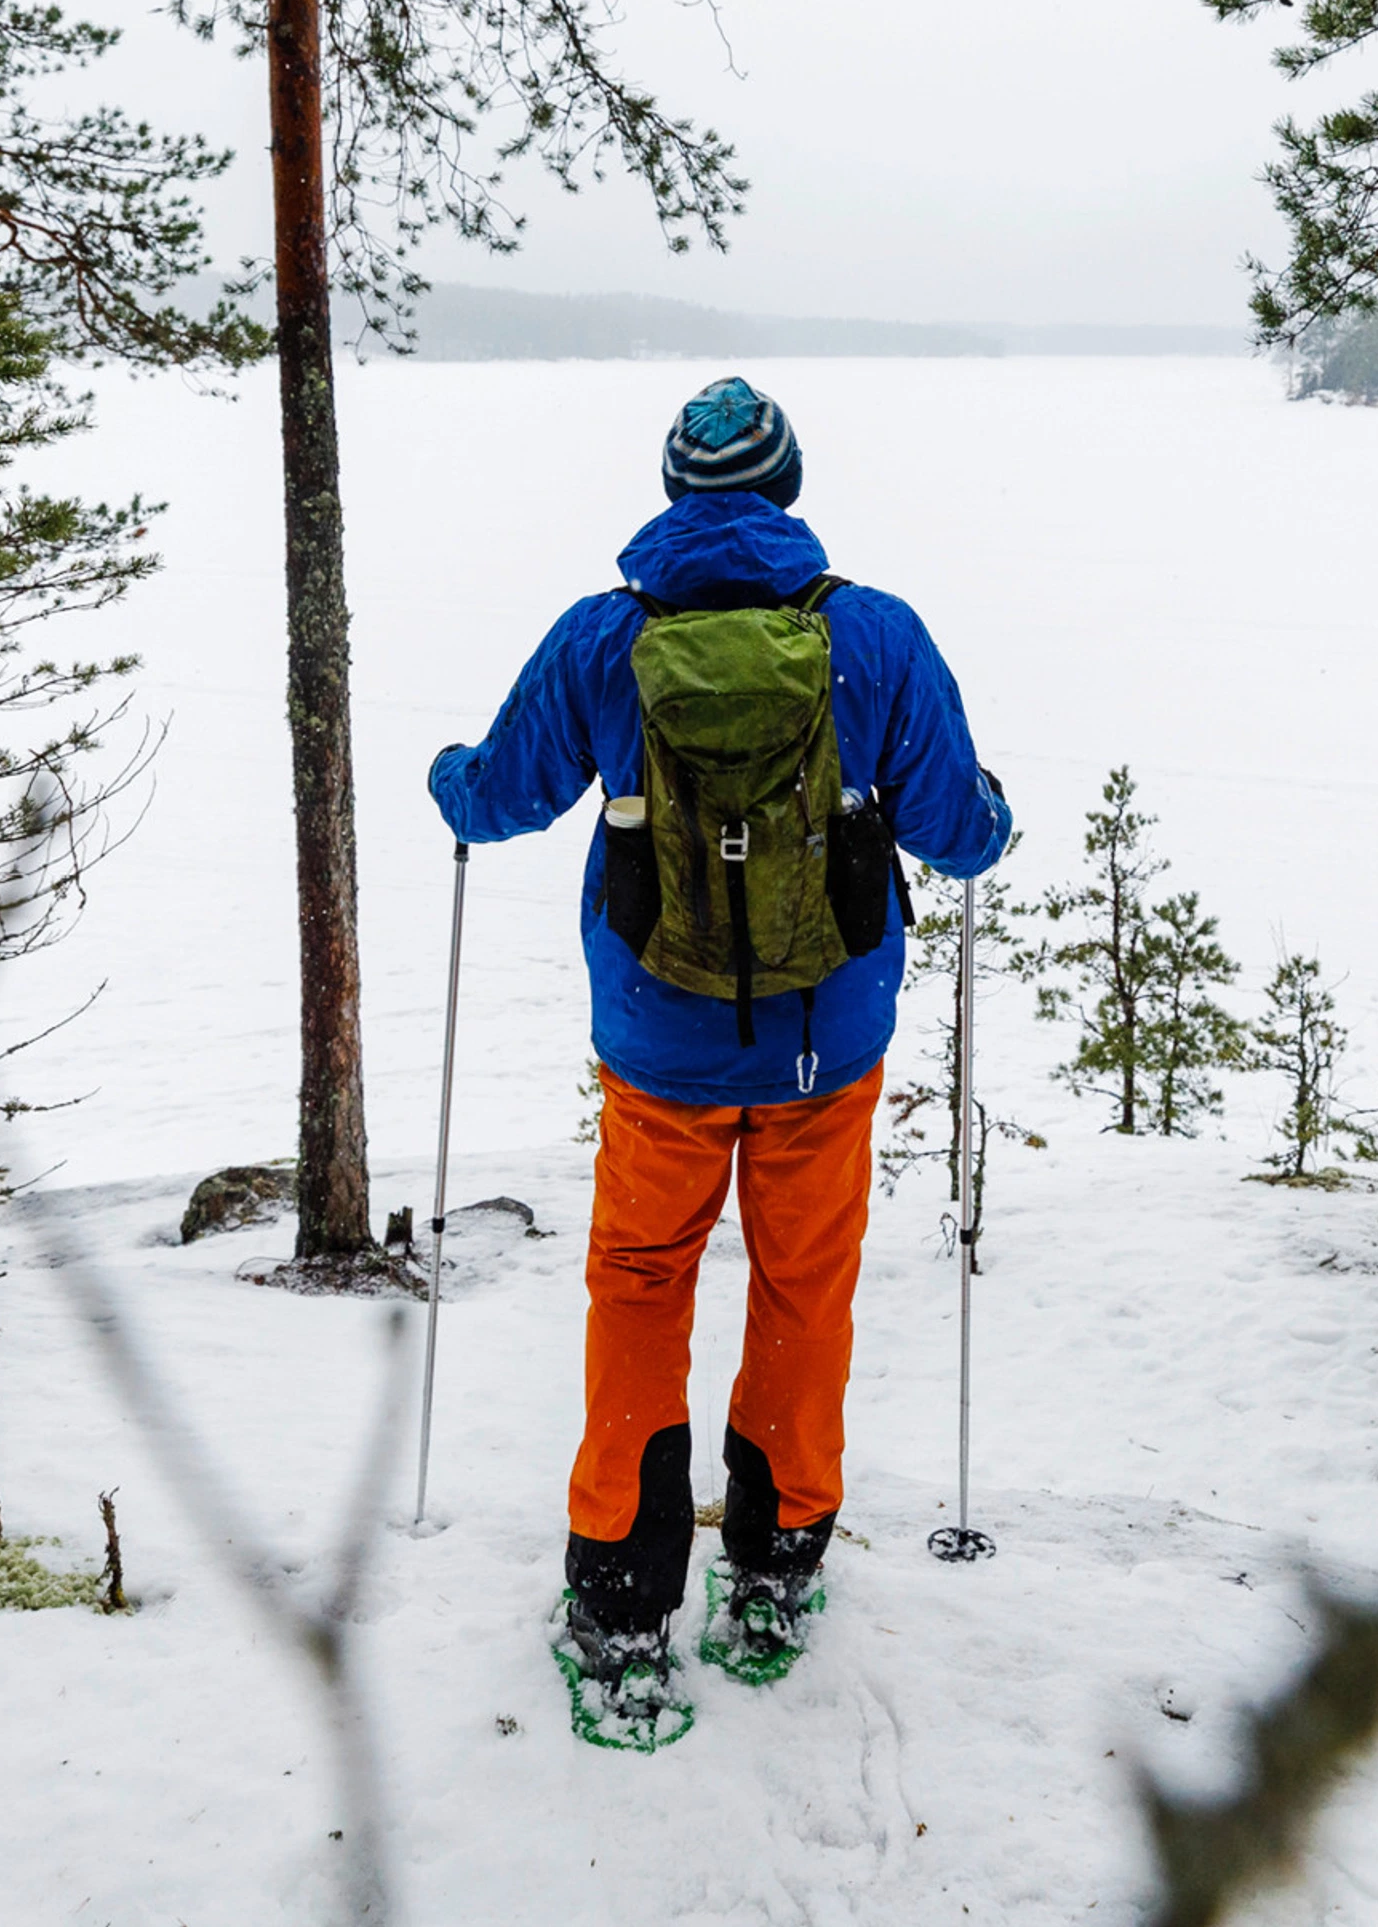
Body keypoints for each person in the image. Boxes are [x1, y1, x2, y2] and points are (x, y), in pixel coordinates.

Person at [427, 376, 1010, 1740]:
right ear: (787, 489)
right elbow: (954, 825)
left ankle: (625, 1604)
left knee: (641, 1285)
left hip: (657, 1049)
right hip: (827, 1046)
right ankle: (776, 1569)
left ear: (676, 496)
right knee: (805, 1289)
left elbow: (502, 792)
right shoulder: (873, 635)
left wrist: (451, 777)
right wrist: (994, 819)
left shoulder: (604, 640)